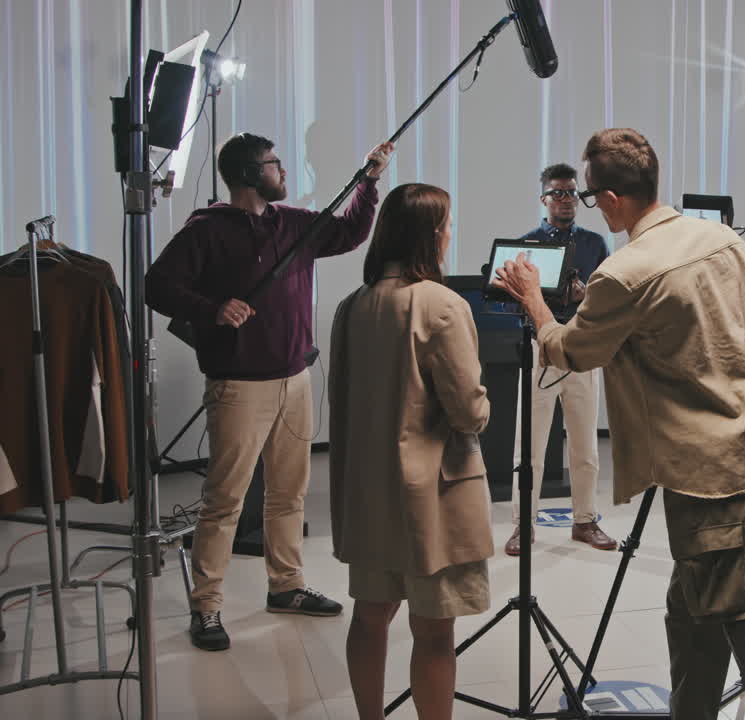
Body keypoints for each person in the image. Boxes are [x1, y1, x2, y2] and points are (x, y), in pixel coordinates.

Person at [493, 128, 745, 720]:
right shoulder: (721, 240)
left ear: (607, 199)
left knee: (711, 612)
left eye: (586, 197)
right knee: (692, 600)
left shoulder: (624, 273)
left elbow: (567, 349)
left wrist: (531, 295)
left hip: (704, 468)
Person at [146, 133, 394, 651]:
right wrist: (212, 308)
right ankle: (207, 606)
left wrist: (369, 182)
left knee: (288, 493)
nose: (283, 172)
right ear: (250, 174)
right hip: (238, 385)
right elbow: (157, 286)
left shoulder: (294, 224)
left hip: (295, 377)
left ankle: (286, 586)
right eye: (274, 164)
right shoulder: (206, 230)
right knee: (225, 500)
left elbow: (349, 233)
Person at [328, 183, 493, 720]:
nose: (450, 233)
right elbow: (470, 413)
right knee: (433, 631)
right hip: (433, 500)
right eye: (446, 224)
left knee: (370, 614)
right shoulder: (440, 304)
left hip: (370, 490)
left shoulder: (352, 306)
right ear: (429, 234)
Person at [506, 163, 616, 556]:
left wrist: (587, 295)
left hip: (582, 348)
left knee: (585, 445)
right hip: (541, 350)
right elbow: (517, 298)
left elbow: (607, 300)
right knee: (530, 447)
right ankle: (523, 526)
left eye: (571, 192)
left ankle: (585, 521)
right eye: (558, 193)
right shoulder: (528, 244)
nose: (566, 199)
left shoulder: (595, 243)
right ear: (544, 198)